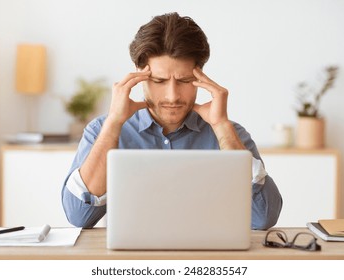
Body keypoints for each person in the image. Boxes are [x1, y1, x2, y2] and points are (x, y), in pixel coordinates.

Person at [62, 12, 282, 230]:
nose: (172, 96)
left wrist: (222, 127)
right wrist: (113, 125)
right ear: (139, 75)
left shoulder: (230, 134)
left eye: (185, 80)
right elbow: (79, 216)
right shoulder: (102, 130)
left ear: (200, 77)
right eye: (159, 80)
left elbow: (262, 218)